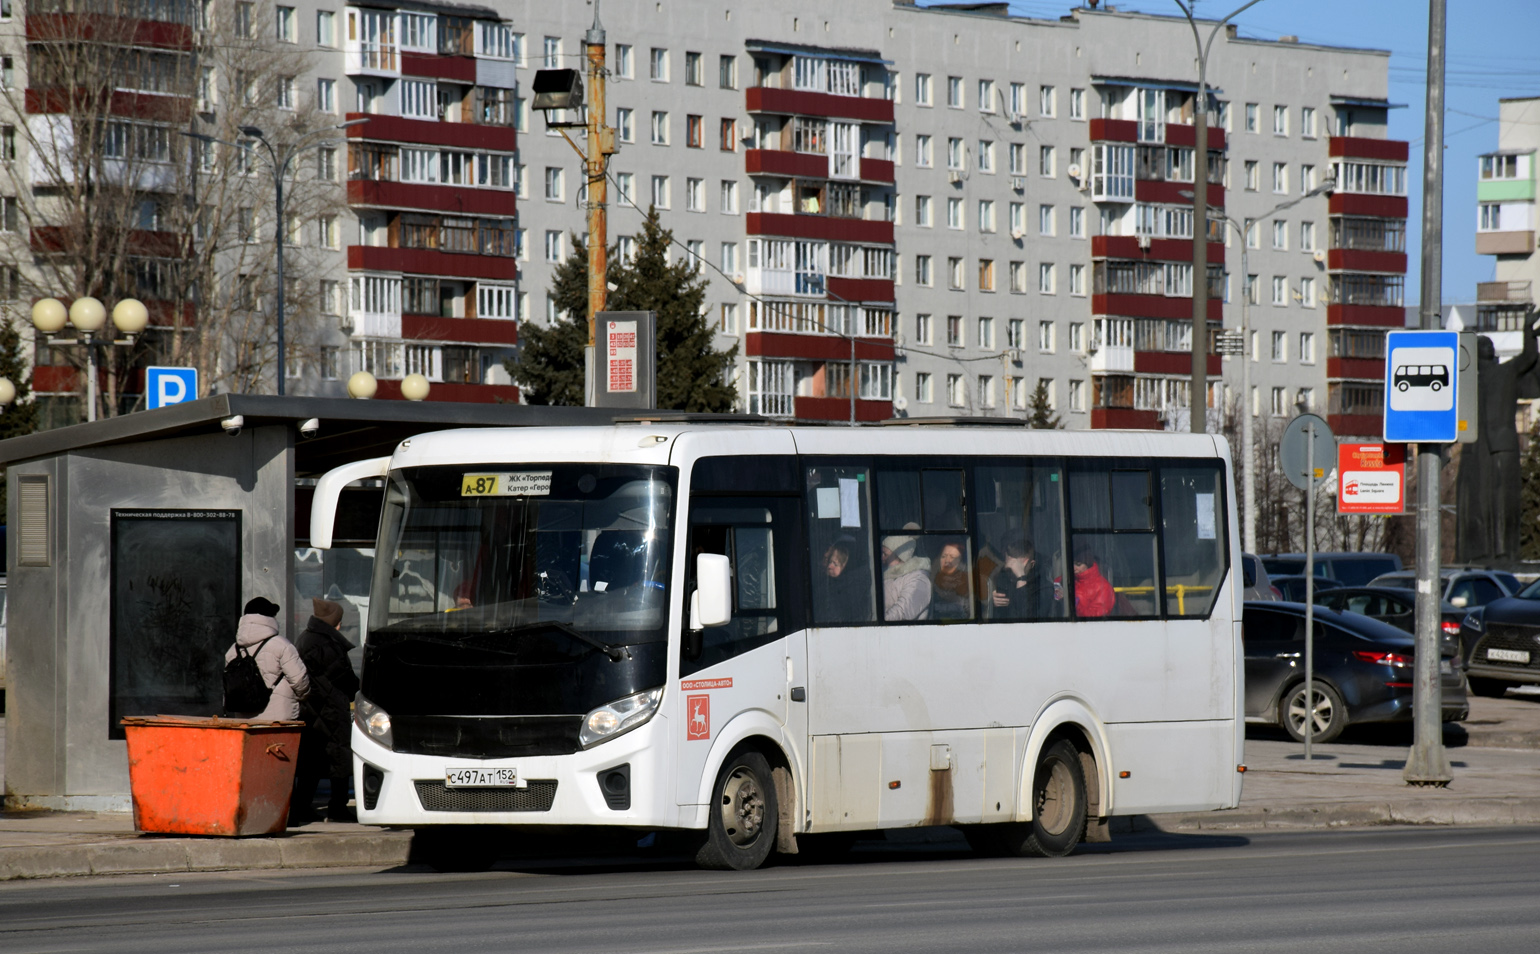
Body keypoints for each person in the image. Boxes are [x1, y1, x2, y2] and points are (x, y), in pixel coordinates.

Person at [291, 598, 361, 825]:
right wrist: (356, 691)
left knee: (312, 759)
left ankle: (301, 807)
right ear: (335, 622)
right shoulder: (327, 643)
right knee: (339, 757)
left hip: (311, 708)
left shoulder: (305, 638)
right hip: (330, 708)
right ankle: (338, 808)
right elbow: (344, 677)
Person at [225, 597, 309, 722]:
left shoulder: (233, 650)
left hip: (244, 718)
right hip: (279, 720)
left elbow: (228, 684)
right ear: (269, 619)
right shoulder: (282, 645)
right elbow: (300, 681)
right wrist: (301, 697)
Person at [881, 527, 932, 621]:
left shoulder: (918, 579)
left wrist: (878, 620)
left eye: (885, 554)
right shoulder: (885, 575)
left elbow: (902, 612)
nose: (881, 557)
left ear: (900, 555)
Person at [991, 537, 1049, 619]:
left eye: (1018, 568)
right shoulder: (1003, 580)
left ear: (1032, 564)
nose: (1013, 573)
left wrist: (1021, 578)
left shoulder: (1044, 588)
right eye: (1010, 568)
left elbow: (1026, 619)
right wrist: (993, 604)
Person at [815, 537, 868, 623]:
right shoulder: (824, 585)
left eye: (835, 564)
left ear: (846, 566)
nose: (829, 566)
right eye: (829, 562)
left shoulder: (853, 588)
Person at [1070, 541, 1116, 618]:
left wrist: (1075, 604)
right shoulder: (1069, 579)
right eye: (1072, 564)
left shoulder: (1103, 587)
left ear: (1087, 564)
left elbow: (1096, 617)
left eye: (1078, 564)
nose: (1074, 568)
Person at [931, 541, 972, 619]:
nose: (947, 560)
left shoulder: (969, 583)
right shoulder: (929, 580)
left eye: (952, 557)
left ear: (960, 561)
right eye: (943, 556)